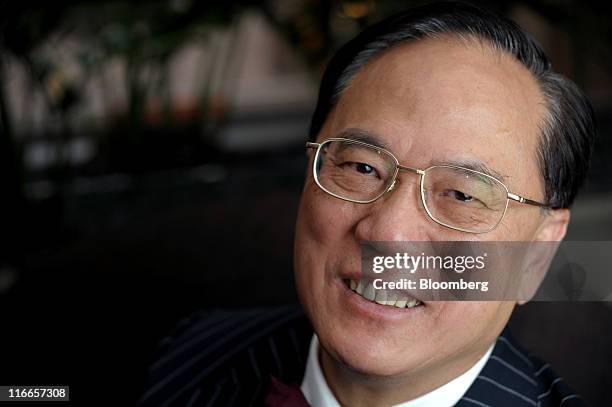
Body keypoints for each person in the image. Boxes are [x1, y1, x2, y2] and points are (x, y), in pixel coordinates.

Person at [138, 2, 596, 406]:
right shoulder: (190, 353)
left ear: (536, 256)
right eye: (361, 168)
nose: (387, 232)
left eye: (461, 195)